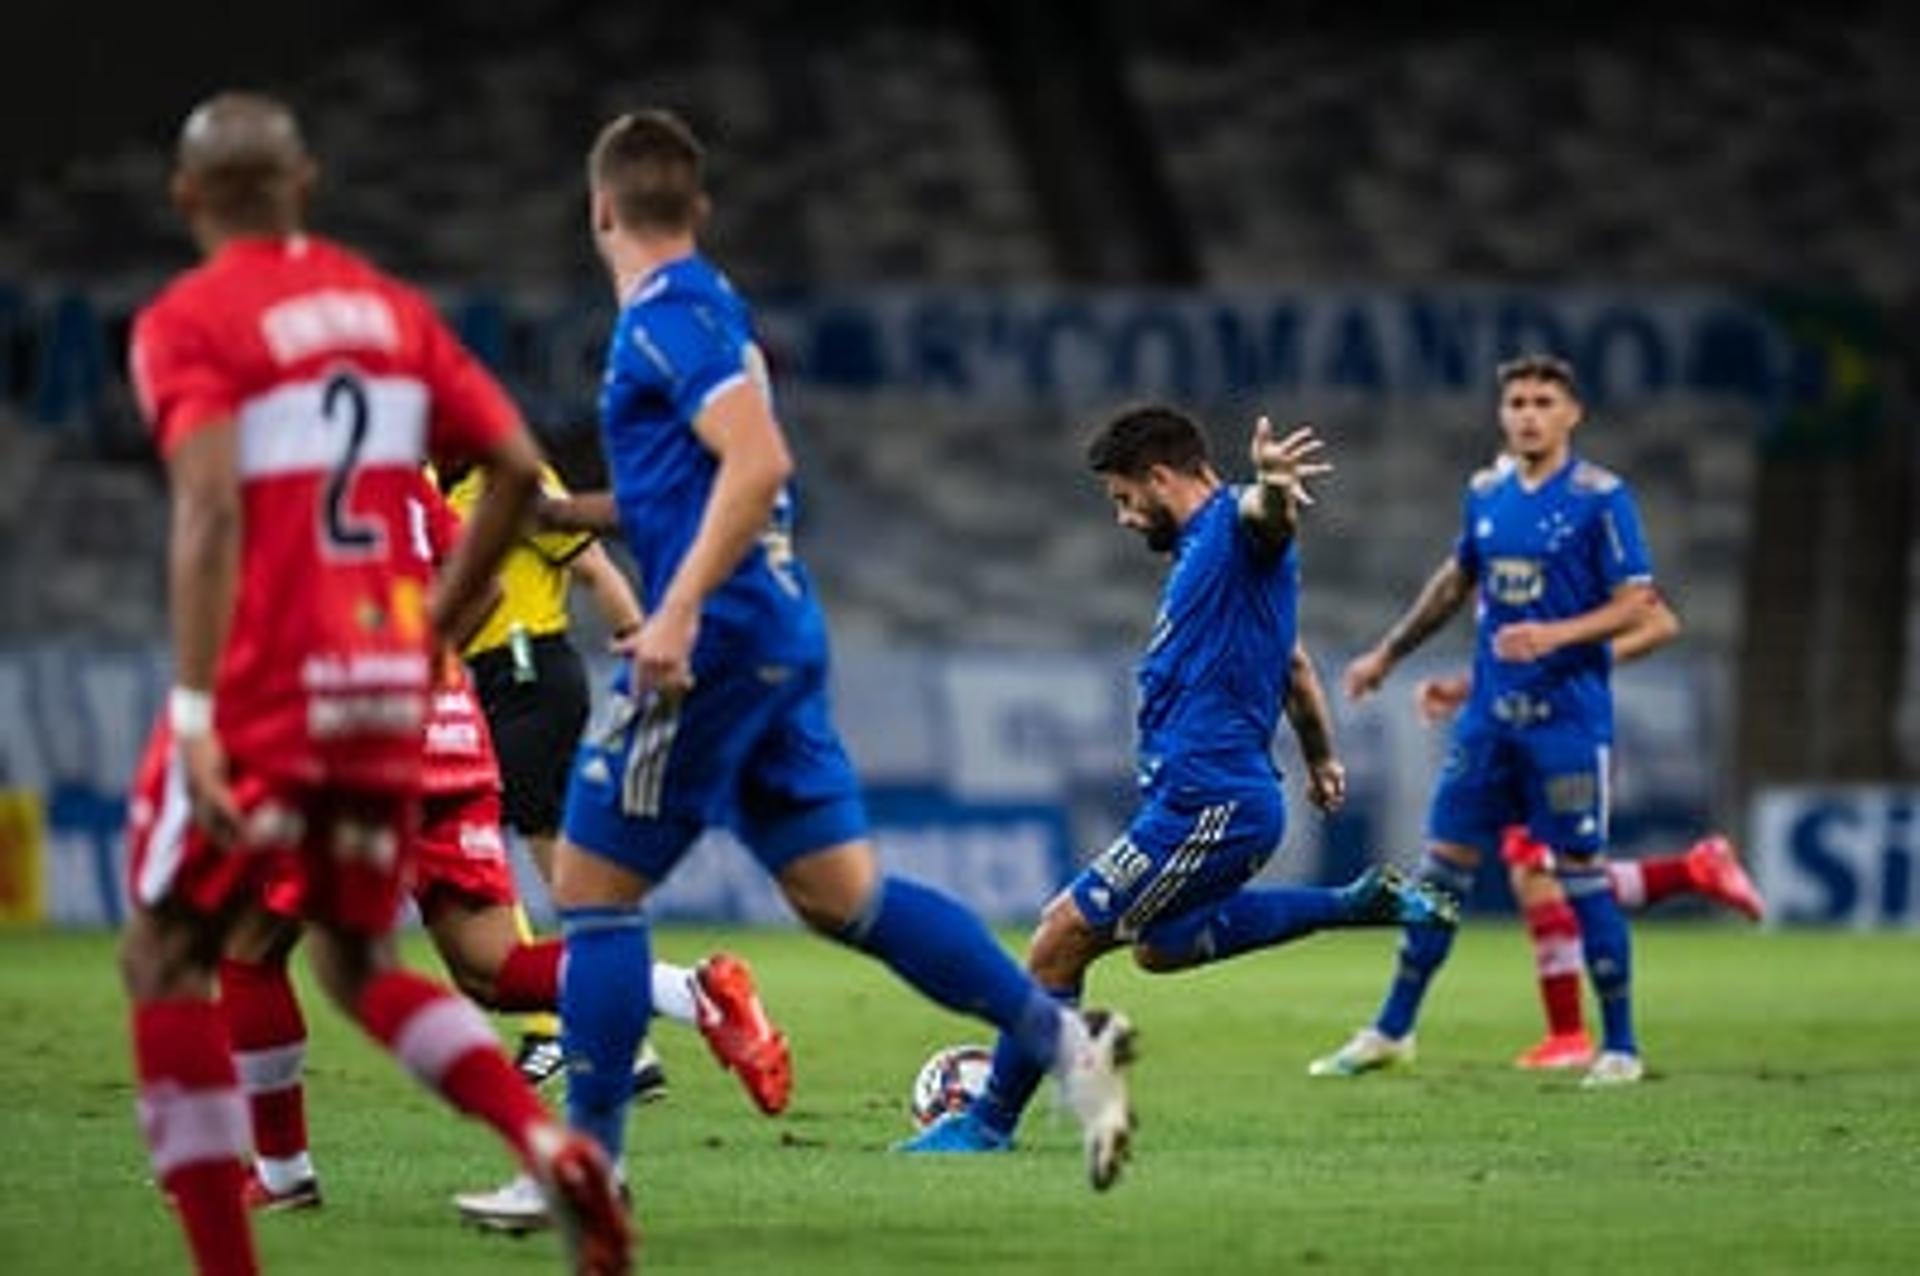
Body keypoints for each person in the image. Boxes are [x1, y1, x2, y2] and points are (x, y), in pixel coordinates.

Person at [538, 107, 1135, 1195]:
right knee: (843, 896)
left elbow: (758, 463)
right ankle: (1062, 1043)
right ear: (701, 207)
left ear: (601, 208)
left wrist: (669, 613)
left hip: (712, 640)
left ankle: (586, 1167)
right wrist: (569, 508)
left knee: (592, 887)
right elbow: (699, 483)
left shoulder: (659, 319)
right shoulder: (717, 307)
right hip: (775, 628)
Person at [118, 93, 629, 1274]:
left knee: (166, 953)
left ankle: (226, 1253)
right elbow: (512, 469)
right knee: (356, 962)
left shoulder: (189, 320)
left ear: (187, 198)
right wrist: (432, 629)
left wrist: (195, 708)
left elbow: (204, 510)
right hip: (384, 692)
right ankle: (553, 1149)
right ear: (307, 180)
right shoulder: (388, 314)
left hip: (268, 683)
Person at [216, 474, 790, 1216]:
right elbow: (482, 591)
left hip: (352, 739)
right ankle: (693, 992)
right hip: (449, 731)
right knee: (494, 970)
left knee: (250, 950)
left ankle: (283, 1174)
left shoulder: (292, 481)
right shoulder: (407, 489)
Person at [900, 405, 1457, 1156]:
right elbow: (1291, 665)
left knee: (1059, 940)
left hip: (1211, 802)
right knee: (1164, 947)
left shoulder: (1233, 529)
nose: (1125, 519)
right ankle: (1351, 905)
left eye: (1125, 499)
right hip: (1206, 798)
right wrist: (1322, 755)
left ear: (1161, 477)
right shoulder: (1207, 559)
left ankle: (986, 1125)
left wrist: (1276, 489)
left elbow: (1269, 519)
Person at [1310, 353, 1658, 1088]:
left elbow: (1639, 605)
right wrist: (1387, 653)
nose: (1528, 413)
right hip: (1488, 724)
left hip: (1566, 724)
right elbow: (1454, 583)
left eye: (1543, 401)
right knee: (1440, 874)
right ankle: (1392, 1030)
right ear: (1502, 415)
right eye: (1517, 402)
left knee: (1581, 878)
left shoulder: (1602, 498)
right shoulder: (1486, 494)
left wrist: (1556, 636)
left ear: (1573, 414)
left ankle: (1620, 1045)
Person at [1410, 587, 1763, 1070]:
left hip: (1569, 739)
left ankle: (1572, 1034)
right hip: (1514, 736)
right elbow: (1518, 663)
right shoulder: (1509, 556)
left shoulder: (1581, 549)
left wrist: (1582, 661)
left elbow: (1660, 623)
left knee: (1547, 874)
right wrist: (1467, 687)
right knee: (1539, 875)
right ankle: (1692, 871)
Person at [439, 460, 673, 1090]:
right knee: (554, 853)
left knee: (485, 832)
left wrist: (637, 639)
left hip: (528, 673)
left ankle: (550, 1024)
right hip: (487, 679)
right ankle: (624, 1035)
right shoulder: (435, 485)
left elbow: (594, 566)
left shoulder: (507, 479)